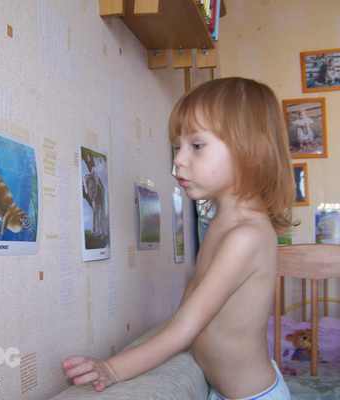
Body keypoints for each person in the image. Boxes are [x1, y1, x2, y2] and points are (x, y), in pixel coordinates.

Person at [62, 77, 296, 399]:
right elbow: (189, 305)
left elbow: (185, 326)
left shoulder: (247, 236)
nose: (178, 160)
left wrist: (113, 369)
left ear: (252, 151)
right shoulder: (220, 223)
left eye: (196, 146)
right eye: (177, 147)